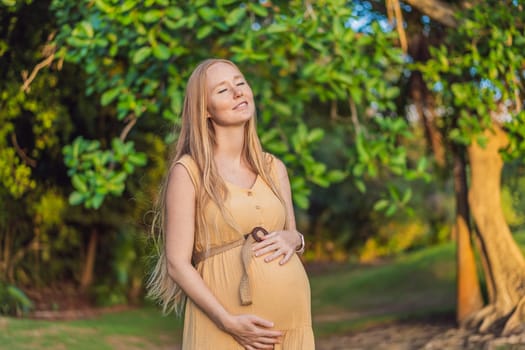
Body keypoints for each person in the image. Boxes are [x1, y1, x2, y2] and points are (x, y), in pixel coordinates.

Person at [147, 58, 315, 350]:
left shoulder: (273, 168)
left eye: (240, 83)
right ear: (205, 110)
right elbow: (176, 264)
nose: (238, 92)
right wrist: (227, 321)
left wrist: (295, 239)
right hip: (225, 331)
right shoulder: (189, 172)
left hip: (292, 329)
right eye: (223, 90)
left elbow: (291, 236)